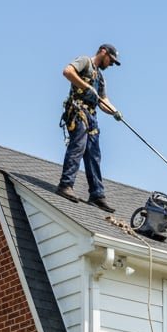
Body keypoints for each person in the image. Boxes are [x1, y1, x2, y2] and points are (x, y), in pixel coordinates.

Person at [56, 44, 123, 212]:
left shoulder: (100, 78)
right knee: (78, 146)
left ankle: (97, 195)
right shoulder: (85, 61)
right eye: (111, 60)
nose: (110, 64)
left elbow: (103, 102)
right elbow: (67, 72)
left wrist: (115, 112)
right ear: (103, 52)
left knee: (94, 154)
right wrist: (86, 87)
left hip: (92, 116)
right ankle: (65, 185)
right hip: (78, 111)